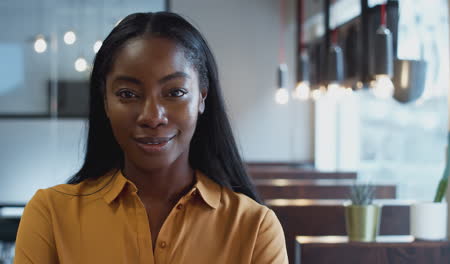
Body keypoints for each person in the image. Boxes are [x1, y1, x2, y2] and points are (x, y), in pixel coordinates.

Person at [14, 12, 288, 264]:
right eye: (127, 94)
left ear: (202, 98)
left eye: (175, 93)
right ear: (105, 102)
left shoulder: (255, 227)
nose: (152, 116)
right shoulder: (50, 215)